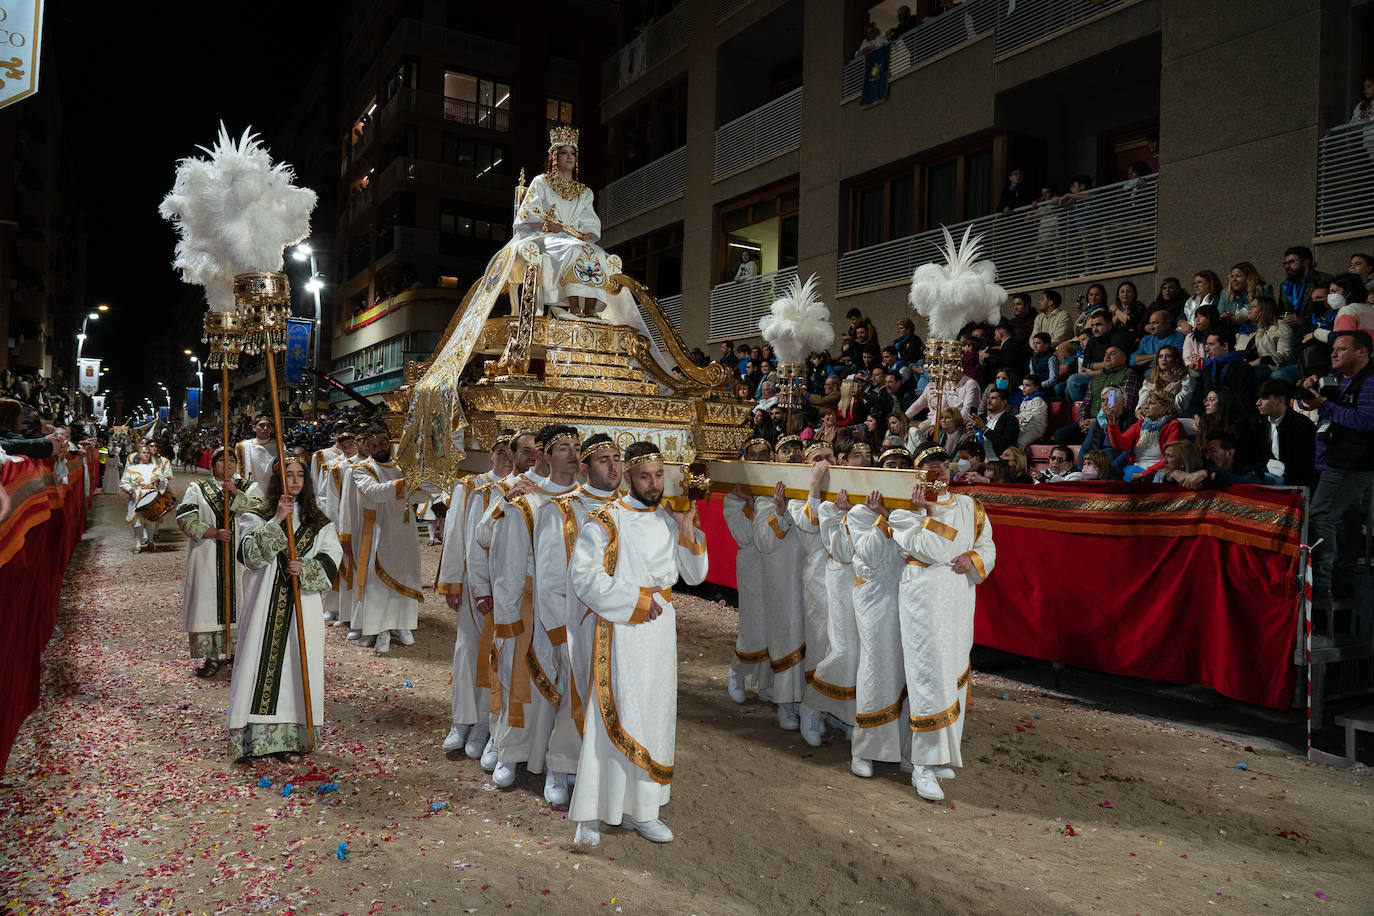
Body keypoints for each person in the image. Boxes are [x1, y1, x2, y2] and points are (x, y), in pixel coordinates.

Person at [567, 442, 708, 847]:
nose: (654, 483)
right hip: (623, 629)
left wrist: (686, 529)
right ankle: (594, 812)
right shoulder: (605, 520)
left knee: (654, 716)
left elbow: (695, 576)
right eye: (645, 476)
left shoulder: (668, 516)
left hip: (661, 634)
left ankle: (643, 811)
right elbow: (585, 579)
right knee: (614, 714)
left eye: (659, 475)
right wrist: (636, 603)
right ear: (628, 477)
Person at [857, 446, 995, 801]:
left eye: (943, 464)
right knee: (927, 677)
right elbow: (929, 549)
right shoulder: (904, 509)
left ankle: (937, 753)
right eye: (930, 466)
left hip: (958, 598)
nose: (939, 471)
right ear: (918, 474)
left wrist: (973, 556)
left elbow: (988, 546)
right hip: (922, 598)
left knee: (951, 674)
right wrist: (930, 509)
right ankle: (923, 765)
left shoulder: (971, 506)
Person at [486, 425, 580, 795]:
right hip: (528, 606)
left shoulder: (592, 500)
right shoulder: (525, 499)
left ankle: (560, 764)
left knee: (571, 686)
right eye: (563, 448)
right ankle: (511, 752)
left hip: (576, 609)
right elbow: (507, 565)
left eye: (577, 447)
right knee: (522, 683)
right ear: (544, 456)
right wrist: (506, 620)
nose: (572, 454)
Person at [228, 457, 341, 762]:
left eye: (300, 475)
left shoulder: (319, 523)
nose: (295, 480)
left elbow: (332, 560)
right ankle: (254, 740)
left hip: (302, 606)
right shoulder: (256, 515)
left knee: (296, 668)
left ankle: (291, 739)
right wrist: (277, 519)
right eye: (288, 475)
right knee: (256, 664)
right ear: (278, 480)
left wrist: (306, 567)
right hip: (264, 604)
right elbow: (249, 555)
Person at [538, 433, 625, 799]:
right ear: (585, 468)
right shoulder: (561, 508)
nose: (614, 467)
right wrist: (561, 632)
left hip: (621, 624)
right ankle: (559, 767)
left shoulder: (631, 507)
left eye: (618, 458)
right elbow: (549, 578)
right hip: (577, 623)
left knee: (614, 699)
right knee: (575, 695)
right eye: (604, 460)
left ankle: (597, 770)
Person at [466, 430, 543, 771]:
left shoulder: (564, 492)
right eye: (524, 450)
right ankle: (499, 740)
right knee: (506, 667)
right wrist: (482, 589)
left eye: (536, 450)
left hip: (550, 601)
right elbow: (479, 538)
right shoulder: (501, 490)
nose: (530, 456)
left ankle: (539, 751)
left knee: (544, 678)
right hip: (509, 595)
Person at [437, 432, 516, 757]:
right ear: (490, 453)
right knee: (468, 650)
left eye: (511, 452)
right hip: (473, 583)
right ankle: (462, 720)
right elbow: (454, 533)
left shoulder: (523, 488)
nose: (506, 457)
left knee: (500, 655)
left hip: (509, 586)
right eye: (500, 451)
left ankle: (486, 724)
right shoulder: (469, 486)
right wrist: (452, 581)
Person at [1299, 330, 1374, 616]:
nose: (1333, 354)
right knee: (1345, 524)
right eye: (1333, 350)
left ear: (1362, 353)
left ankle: (1322, 591)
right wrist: (1313, 394)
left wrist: (1326, 405)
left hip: (1350, 465)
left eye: (1341, 349)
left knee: (1320, 517)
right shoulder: (1341, 381)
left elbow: (1366, 421)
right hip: (1334, 461)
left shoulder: (1369, 381)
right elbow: (1327, 410)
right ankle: (1341, 588)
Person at [512, 127, 618, 320]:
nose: (569, 157)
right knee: (574, 248)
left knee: (597, 253)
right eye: (564, 153)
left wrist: (589, 234)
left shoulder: (585, 192)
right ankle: (574, 305)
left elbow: (590, 222)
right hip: (547, 237)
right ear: (555, 156)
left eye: (572, 153)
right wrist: (547, 225)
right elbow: (527, 214)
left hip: (574, 238)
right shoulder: (541, 182)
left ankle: (590, 309)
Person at [175, 447, 259, 677]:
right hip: (207, 554)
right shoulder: (198, 488)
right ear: (213, 465)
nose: (228, 465)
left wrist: (236, 495)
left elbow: (261, 511)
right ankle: (210, 657)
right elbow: (184, 516)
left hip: (240, 556)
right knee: (207, 603)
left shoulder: (249, 487)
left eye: (232, 460)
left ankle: (237, 654)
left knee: (242, 600)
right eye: (222, 461)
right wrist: (210, 531)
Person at [752, 434, 808, 731]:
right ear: (776, 457)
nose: (793, 455)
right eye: (786, 450)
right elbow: (762, 540)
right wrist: (781, 512)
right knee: (786, 635)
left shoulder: (813, 492)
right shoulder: (766, 494)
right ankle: (785, 703)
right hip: (781, 578)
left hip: (810, 579)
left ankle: (812, 706)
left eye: (798, 449)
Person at [349, 427, 422, 654]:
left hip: (405, 531)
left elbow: (419, 495)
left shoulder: (402, 467)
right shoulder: (362, 469)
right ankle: (379, 628)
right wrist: (407, 482)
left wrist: (425, 482)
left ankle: (402, 624)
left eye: (383, 442)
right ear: (368, 448)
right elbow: (375, 493)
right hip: (377, 532)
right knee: (377, 581)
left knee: (405, 574)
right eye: (375, 445)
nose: (380, 447)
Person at [1105, 391, 1186, 481]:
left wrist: (1143, 475)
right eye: (1146, 403)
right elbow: (1120, 444)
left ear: (1165, 407)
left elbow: (1170, 458)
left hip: (1161, 472)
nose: (1146, 407)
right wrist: (1112, 424)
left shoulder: (1174, 425)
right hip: (1136, 471)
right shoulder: (1140, 424)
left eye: (1151, 403)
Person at [1255, 379, 1317, 488]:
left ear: (1279, 400)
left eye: (1263, 398)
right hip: (1273, 482)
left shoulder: (1302, 425)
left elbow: (1304, 465)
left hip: (1297, 485)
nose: (1258, 403)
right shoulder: (1262, 426)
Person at [1188, 328, 1259, 418]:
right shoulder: (1207, 368)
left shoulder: (1243, 369)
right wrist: (1196, 415)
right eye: (1206, 344)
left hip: (1232, 421)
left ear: (1225, 346)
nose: (1206, 349)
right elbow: (1198, 397)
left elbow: (1246, 402)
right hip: (1207, 419)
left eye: (1211, 344)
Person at [1235, 296, 1297, 383]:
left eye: (1254, 306)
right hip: (1245, 363)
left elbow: (1285, 354)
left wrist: (1259, 361)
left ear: (1264, 309)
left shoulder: (1280, 327)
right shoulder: (1246, 328)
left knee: (1247, 374)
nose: (1249, 308)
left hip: (1270, 366)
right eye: (1250, 306)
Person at [120, 442, 167, 553]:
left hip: (151, 495)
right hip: (137, 496)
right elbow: (124, 482)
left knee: (151, 521)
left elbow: (163, 481)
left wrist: (159, 481)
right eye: (144, 452)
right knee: (137, 522)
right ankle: (138, 544)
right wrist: (129, 489)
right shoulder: (131, 469)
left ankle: (151, 542)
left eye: (148, 453)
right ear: (139, 455)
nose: (147, 455)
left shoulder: (155, 468)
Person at [236, 415, 279, 492]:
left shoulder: (279, 446)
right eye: (261, 425)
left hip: (272, 491)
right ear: (254, 428)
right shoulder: (243, 446)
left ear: (272, 429)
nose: (265, 428)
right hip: (249, 490)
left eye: (268, 426)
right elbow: (236, 470)